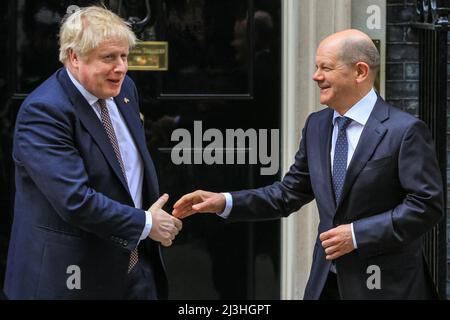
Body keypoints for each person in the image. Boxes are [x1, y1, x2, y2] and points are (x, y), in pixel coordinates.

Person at [172, 29, 444, 299]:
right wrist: (224, 201)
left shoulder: (405, 131)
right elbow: (287, 194)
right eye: (316, 67)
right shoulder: (317, 125)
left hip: (387, 286)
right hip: (326, 283)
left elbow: (426, 205)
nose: (316, 76)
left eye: (325, 67)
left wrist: (357, 234)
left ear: (360, 72)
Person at [4, 6, 182, 300]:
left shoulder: (125, 90)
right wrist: (147, 224)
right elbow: (75, 200)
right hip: (71, 279)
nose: (121, 67)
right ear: (74, 57)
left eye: (124, 56)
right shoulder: (45, 111)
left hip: (134, 270)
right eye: (109, 58)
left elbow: (123, 166)